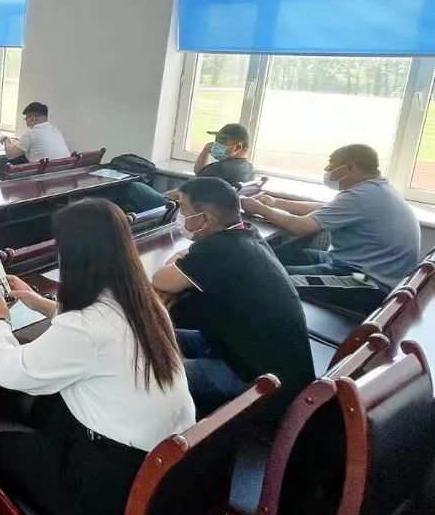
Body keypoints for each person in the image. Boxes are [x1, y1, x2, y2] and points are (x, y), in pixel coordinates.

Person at [0, 199, 194, 515]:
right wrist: (36, 300)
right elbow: (98, 325)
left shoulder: (84, 329)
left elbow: (5, 369)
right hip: (162, 473)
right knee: (52, 408)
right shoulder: (147, 303)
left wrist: (1, 318)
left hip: (107, 497)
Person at [152, 177, 314, 418]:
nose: (180, 216)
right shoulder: (246, 234)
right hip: (257, 355)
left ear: (206, 219)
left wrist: (177, 261)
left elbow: (161, 279)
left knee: (149, 372)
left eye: (183, 209)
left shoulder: (218, 252)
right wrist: (183, 260)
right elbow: (188, 259)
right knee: (154, 334)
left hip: (257, 381)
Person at [241, 144, 420, 312]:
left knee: (269, 278)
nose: (327, 171)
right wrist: (275, 202)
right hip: (351, 265)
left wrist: (259, 209)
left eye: (331, 166)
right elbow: (324, 209)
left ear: (350, 168)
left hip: (365, 283)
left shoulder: (361, 195)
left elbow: (301, 227)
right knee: (273, 255)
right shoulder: (376, 189)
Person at [114, 123, 255, 214]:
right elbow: (199, 172)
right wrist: (206, 149)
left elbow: (181, 193)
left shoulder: (220, 169)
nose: (216, 144)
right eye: (216, 140)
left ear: (238, 147)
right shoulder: (247, 168)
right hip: (203, 209)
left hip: (182, 210)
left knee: (135, 187)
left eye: (222, 141)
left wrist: (163, 197)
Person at [2, 102, 70, 164]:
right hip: (63, 169)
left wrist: (6, 140)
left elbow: (10, 154)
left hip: (43, 172)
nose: (25, 121)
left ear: (32, 118)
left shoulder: (31, 134)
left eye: (26, 118)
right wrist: (20, 141)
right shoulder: (55, 130)